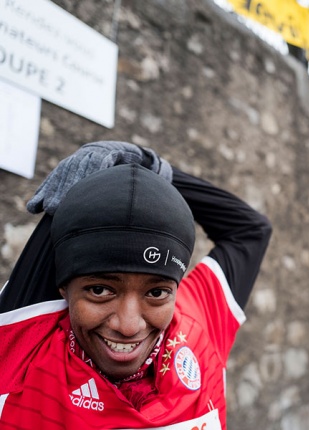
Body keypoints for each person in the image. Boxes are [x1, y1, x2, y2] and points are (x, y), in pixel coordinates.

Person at [0, 142, 272, 429]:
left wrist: (152, 168)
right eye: (100, 290)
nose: (129, 326)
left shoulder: (198, 322)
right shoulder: (24, 349)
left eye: (156, 292)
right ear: (63, 288)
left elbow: (251, 231)